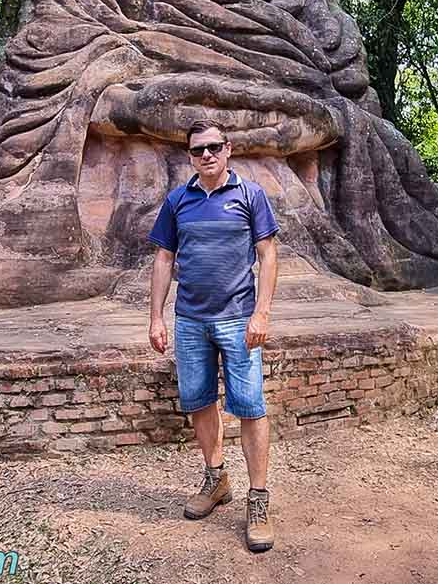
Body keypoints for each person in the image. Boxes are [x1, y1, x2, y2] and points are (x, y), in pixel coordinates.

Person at [148, 118, 279, 553]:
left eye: (213, 147)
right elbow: (164, 259)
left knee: (249, 407)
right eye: (197, 149)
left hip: (238, 320)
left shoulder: (250, 196)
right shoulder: (177, 201)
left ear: (229, 150)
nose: (206, 155)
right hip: (190, 321)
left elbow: (268, 255)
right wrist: (156, 318)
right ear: (189, 155)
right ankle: (216, 478)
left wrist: (261, 313)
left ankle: (258, 500)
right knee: (200, 402)